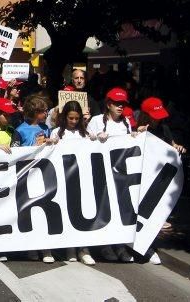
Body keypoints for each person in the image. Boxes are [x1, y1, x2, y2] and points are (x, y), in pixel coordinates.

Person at [86, 87, 135, 263]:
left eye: (123, 104)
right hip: (101, 173)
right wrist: (95, 137)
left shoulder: (127, 123)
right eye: (117, 103)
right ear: (109, 104)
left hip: (121, 175)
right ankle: (105, 245)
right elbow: (85, 141)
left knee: (120, 209)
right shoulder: (97, 121)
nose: (120, 107)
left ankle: (120, 245)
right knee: (104, 209)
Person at [48, 101, 96, 266]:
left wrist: (99, 139)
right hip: (63, 180)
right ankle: (69, 248)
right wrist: (50, 143)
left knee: (83, 212)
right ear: (64, 117)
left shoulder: (87, 133)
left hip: (83, 179)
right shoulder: (57, 132)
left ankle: (83, 249)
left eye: (77, 118)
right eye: (71, 118)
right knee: (67, 212)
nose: (74, 122)